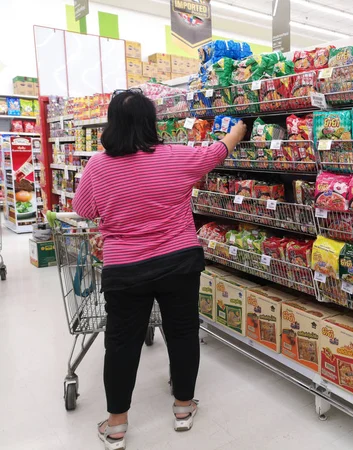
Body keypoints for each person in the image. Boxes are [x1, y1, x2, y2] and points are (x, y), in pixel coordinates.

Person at [72, 88, 246, 450]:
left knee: (121, 343)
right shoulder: (176, 157)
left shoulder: (97, 165)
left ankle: (117, 425)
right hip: (178, 261)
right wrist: (238, 131)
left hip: (125, 268)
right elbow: (216, 152)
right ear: (152, 123)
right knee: (182, 332)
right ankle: (184, 408)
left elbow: (85, 210)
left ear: (112, 124)